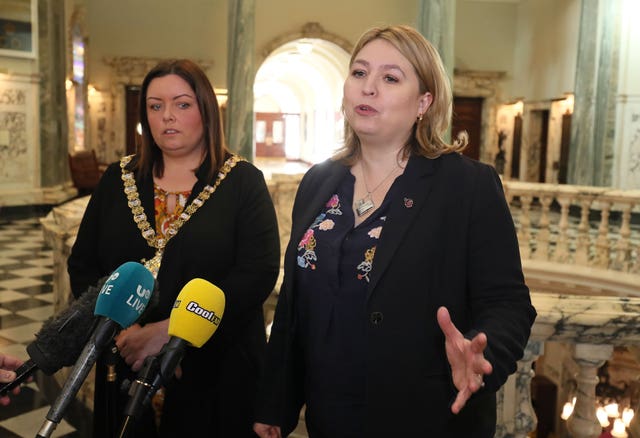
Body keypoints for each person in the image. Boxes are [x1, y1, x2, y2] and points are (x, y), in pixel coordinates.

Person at [254, 25, 536, 437]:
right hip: (329, 417)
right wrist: (274, 403)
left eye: (390, 78)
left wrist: (482, 354)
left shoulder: (465, 186)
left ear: (424, 102)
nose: (369, 88)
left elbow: (509, 303)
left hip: (426, 417)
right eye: (359, 73)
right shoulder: (319, 181)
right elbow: (294, 306)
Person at [67, 59, 280, 437]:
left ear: (206, 111)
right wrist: (122, 334)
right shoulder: (118, 181)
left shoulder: (243, 182)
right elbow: (84, 265)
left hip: (218, 366)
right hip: (125, 358)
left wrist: (171, 332)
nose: (168, 116)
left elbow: (257, 274)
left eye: (182, 104)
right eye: (155, 106)